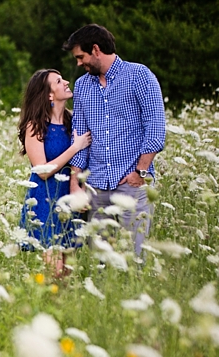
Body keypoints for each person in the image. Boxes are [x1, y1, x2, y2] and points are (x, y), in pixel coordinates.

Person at [64, 24, 166, 259]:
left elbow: (156, 126)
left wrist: (140, 172)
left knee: (135, 257)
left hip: (133, 184)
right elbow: (80, 135)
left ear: (96, 49)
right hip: (97, 185)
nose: (79, 63)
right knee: (101, 262)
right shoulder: (82, 86)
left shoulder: (139, 75)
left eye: (81, 57)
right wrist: (75, 183)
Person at [18, 69, 92, 278]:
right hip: (44, 200)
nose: (66, 82)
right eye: (59, 81)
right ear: (49, 94)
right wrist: (74, 147)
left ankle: (61, 308)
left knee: (67, 271)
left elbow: (85, 161)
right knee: (55, 271)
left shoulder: (73, 121)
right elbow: (42, 170)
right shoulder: (35, 126)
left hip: (69, 198)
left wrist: (83, 192)